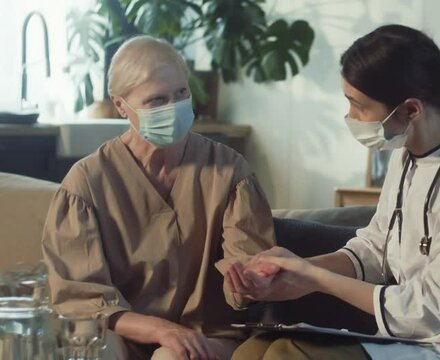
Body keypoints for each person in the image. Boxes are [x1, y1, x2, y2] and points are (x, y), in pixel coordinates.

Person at [227, 25, 440, 359]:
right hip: (415, 340)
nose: (350, 116)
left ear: (411, 110)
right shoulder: (406, 159)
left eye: (358, 105)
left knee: (288, 356)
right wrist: (292, 273)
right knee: (253, 351)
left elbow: (430, 311)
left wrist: (315, 278)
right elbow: (375, 250)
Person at [41, 35, 275, 360]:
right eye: (156, 101)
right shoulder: (86, 185)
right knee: (93, 348)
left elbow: (249, 271)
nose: (174, 108)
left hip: (208, 336)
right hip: (124, 336)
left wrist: (248, 285)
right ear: (121, 105)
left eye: (181, 94)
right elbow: (83, 300)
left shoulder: (229, 172)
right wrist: (161, 330)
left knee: (171, 356)